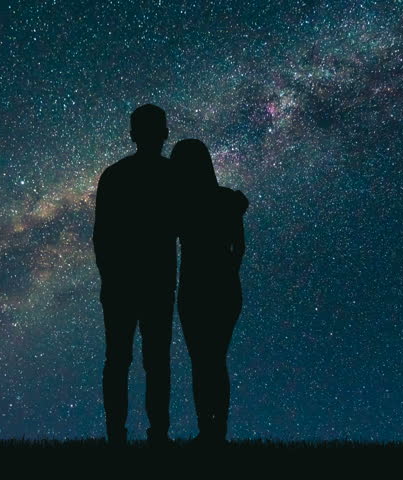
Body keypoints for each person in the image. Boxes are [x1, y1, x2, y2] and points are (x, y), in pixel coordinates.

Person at [92, 104, 177, 445]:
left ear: (133, 134)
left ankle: (119, 436)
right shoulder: (172, 175)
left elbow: (102, 237)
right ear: (164, 133)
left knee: (119, 361)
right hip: (154, 282)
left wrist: (110, 277)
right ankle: (156, 435)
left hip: (122, 283)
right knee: (154, 361)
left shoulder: (115, 175)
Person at [170, 139, 248, 445]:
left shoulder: (180, 203)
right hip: (224, 285)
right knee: (213, 359)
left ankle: (210, 431)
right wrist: (229, 269)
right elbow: (239, 247)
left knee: (203, 361)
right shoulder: (226, 200)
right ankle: (216, 431)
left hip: (196, 286)